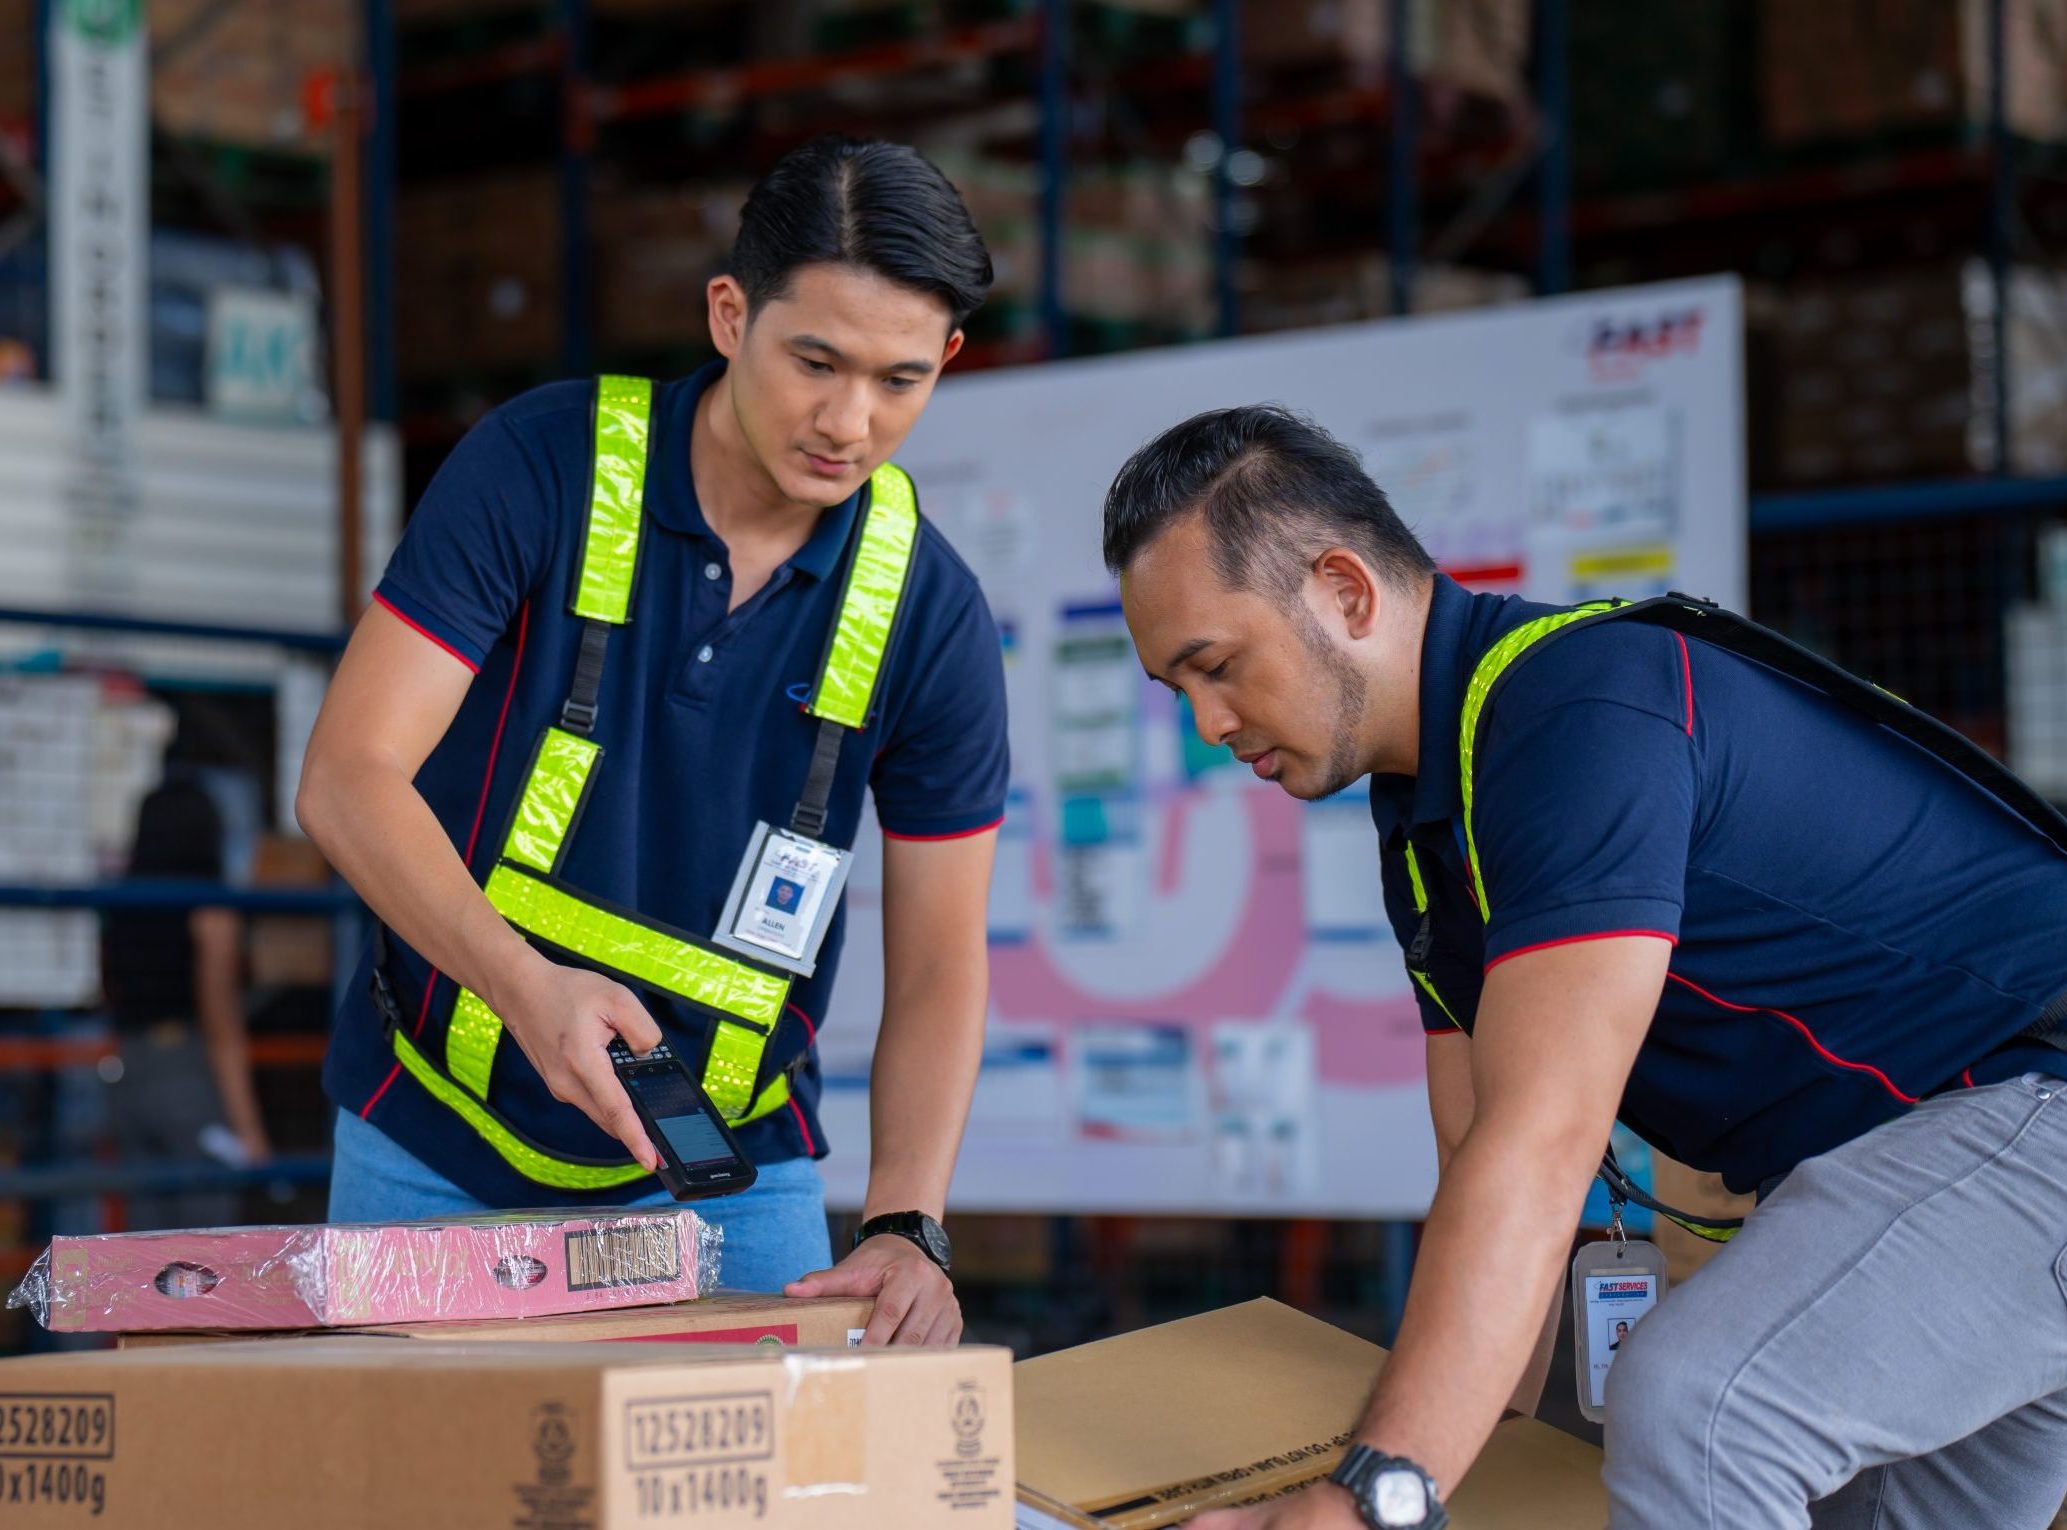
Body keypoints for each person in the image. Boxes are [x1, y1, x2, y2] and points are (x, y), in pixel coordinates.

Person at [1100, 404, 2067, 1529]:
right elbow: (1479, 1164)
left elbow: (1544, 1142)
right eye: (1179, 694)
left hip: (2023, 1122)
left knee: (1703, 1411)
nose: (1210, 725)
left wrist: (1373, 1497)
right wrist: (1431, 1459)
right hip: (1936, 1172)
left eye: (1217, 667)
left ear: (1345, 592)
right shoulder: (1428, 822)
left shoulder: (1580, 712)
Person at [298, 136, 1007, 1346]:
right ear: (730, 315)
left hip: (731, 1184)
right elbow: (346, 780)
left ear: (947, 359)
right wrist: (525, 989)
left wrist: (905, 1224)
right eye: (816, 361)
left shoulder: (932, 616)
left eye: (900, 380)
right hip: (432, 1140)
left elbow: (942, 964)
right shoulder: (543, 466)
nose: (849, 421)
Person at [102, 774, 272, 1231]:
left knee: (144, 1243)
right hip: (186, 1074)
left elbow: (108, 988)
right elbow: (222, 1024)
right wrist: (250, 1130)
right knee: (203, 1248)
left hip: (127, 1071)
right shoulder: (211, 909)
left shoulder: (118, 902)